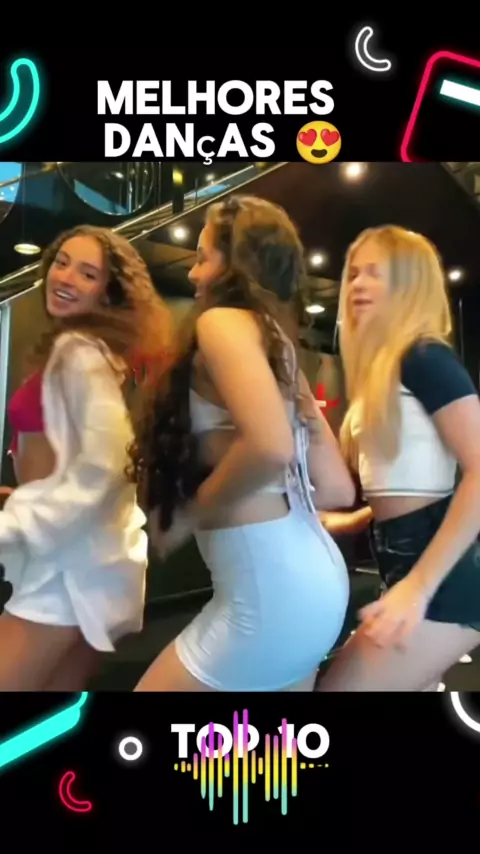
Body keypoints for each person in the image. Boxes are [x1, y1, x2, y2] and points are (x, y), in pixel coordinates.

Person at [128, 195, 356, 692]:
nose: (193, 273)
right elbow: (337, 487)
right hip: (315, 587)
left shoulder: (221, 322)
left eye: (203, 258)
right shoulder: (279, 348)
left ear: (238, 264)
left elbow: (271, 447)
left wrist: (189, 515)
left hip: (270, 595)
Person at [0, 224, 172, 691]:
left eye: (88, 273)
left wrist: (16, 523)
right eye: (62, 263)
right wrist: (27, 496)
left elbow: (106, 465)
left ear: (108, 293)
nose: (66, 277)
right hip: (79, 561)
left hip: (65, 572)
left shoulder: (80, 352)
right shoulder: (88, 350)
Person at [317, 225, 480, 692]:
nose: (358, 284)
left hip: (442, 580)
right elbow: (416, 480)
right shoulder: (387, 368)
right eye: (354, 273)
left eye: (376, 273)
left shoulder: (423, 357)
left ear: (410, 284)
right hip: (405, 563)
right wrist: (356, 521)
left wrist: (419, 586)